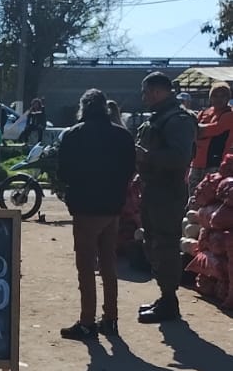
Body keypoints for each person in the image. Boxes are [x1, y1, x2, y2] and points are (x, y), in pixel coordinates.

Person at [56, 88, 136, 340]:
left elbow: (63, 173)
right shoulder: (123, 136)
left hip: (85, 208)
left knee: (86, 267)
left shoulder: (73, 135)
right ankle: (110, 318)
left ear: (83, 108)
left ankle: (87, 321)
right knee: (109, 264)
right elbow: (130, 171)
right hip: (112, 208)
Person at [135, 70, 197, 323]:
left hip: (167, 192)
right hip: (153, 188)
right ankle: (165, 296)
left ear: (159, 91)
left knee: (165, 245)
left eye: (147, 92)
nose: (144, 97)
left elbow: (181, 157)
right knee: (152, 242)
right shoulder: (159, 118)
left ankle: (170, 302)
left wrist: (146, 157)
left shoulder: (178, 120)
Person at [190, 83, 233, 190]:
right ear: (210, 98)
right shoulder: (203, 113)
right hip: (196, 163)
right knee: (193, 199)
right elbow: (192, 132)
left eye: (223, 96)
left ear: (228, 98)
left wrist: (195, 129)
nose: (218, 99)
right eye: (215, 96)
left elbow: (212, 129)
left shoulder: (230, 114)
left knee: (210, 200)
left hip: (217, 165)